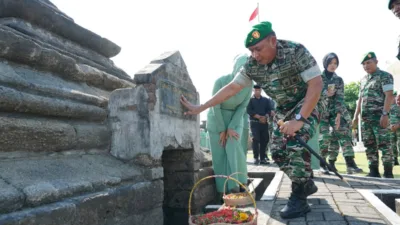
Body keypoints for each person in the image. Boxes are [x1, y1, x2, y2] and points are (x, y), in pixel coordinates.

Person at [181, 21, 325, 219]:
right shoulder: (252, 64)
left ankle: (299, 197)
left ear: (273, 41)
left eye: (258, 49)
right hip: (284, 110)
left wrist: (300, 119)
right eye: (251, 51)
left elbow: (316, 84)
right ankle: (306, 182)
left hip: (309, 102)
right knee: (276, 152)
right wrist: (202, 107)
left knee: (294, 142)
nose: (255, 55)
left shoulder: (296, 51)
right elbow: (232, 87)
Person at [206, 54, 252, 196]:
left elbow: (242, 107)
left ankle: (238, 184)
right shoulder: (221, 81)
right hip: (217, 118)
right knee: (219, 153)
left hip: (235, 119)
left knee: (233, 145)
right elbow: (215, 105)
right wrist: (221, 129)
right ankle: (222, 191)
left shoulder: (248, 85)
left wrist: (231, 127)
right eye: (241, 68)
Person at [318, 53, 363, 175]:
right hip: (321, 113)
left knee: (343, 133)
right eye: (330, 63)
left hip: (335, 111)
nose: (333, 66)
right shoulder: (317, 78)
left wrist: (338, 115)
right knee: (325, 137)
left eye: (335, 63)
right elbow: (311, 94)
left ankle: (350, 163)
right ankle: (322, 164)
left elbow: (340, 98)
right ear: (325, 63)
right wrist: (324, 94)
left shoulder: (338, 80)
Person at [352, 52, 394, 178]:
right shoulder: (363, 80)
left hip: (380, 117)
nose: (366, 66)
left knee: (384, 145)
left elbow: (389, 95)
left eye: (368, 62)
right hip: (366, 120)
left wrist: (385, 114)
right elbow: (360, 100)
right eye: (364, 64)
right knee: (369, 145)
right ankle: (374, 171)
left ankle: (388, 172)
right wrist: (355, 117)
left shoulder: (385, 76)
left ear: (376, 62)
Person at [247, 85, 274, 165]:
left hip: (264, 123)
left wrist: (265, 116)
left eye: (258, 90)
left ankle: (263, 158)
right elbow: (249, 110)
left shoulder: (266, 100)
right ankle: (256, 158)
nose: (257, 91)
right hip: (254, 123)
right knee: (255, 139)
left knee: (264, 140)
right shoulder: (250, 101)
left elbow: (269, 110)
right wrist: (258, 117)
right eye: (256, 90)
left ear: (261, 90)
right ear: (253, 90)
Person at [390, 91, 400, 166]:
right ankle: (395, 159)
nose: (398, 101)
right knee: (392, 144)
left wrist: (398, 125)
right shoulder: (391, 107)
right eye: (397, 99)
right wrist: (390, 126)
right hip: (391, 129)